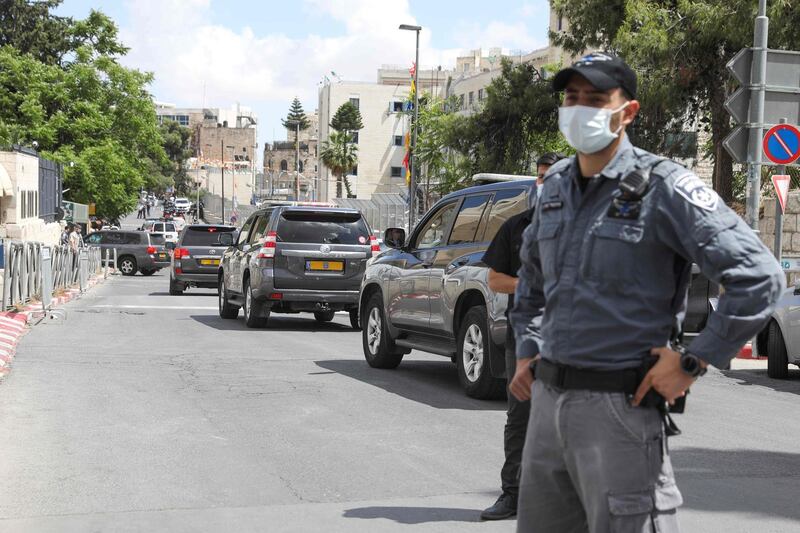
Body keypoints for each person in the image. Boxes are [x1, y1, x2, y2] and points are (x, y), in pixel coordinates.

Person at [510, 52, 785, 532]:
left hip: (620, 410)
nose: (579, 109)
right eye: (571, 98)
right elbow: (532, 279)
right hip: (548, 406)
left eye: (595, 99)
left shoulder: (665, 187)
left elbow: (759, 276)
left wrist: (694, 361)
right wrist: (527, 351)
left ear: (628, 111)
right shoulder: (552, 186)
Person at [480, 152, 564, 521]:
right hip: (524, 335)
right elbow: (495, 279)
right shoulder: (516, 227)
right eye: (540, 176)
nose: (543, 183)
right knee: (520, 417)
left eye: (552, 177)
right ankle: (512, 496)